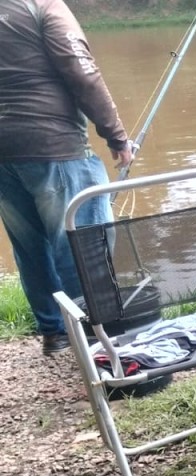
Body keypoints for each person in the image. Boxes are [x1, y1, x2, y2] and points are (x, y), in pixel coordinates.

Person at [0, 0, 134, 356]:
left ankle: (55, 334)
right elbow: (83, 72)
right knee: (82, 244)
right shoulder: (44, 6)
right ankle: (94, 338)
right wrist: (117, 136)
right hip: (56, 146)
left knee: (30, 248)